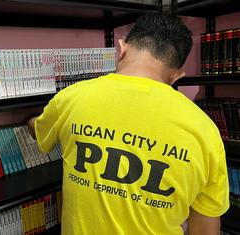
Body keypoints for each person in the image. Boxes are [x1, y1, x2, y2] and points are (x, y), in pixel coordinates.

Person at [28, 12, 229, 235]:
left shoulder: (71, 98)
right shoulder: (206, 130)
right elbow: (205, 229)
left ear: (121, 49)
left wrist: (31, 120)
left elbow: (37, 130)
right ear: (176, 76)